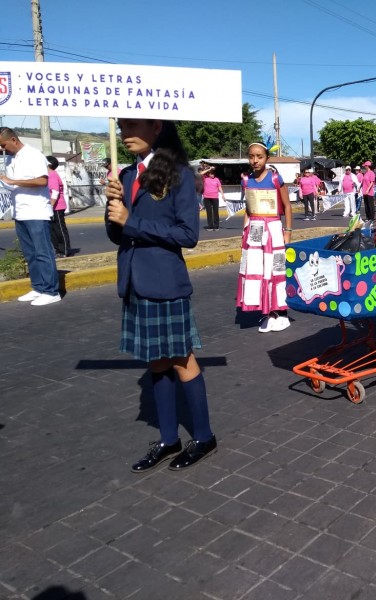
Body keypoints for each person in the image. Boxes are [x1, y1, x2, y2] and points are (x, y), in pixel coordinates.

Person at [104, 118, 216, 471]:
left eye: (131, 126)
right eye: (121, 127)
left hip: (165, 283)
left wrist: (130, 220)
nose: (125, 134)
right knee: (156, 360)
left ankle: (204, 436)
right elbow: (117, 234)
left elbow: (187, 234)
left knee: (181, 358)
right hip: (135, 282)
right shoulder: (125, 176)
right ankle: (169, 439)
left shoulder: (179, 174)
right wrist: (112, 210)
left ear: (156, 126)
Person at [0, 127, 61, 306]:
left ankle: (51, 291)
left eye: (3, 145)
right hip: (21, 212)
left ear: (13, 139)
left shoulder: (33, 155)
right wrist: (6, 183)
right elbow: (14, 185)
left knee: (43, 252)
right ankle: (38, 287)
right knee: (30, 253)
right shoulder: (11, 159)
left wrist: (12, 181)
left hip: (36, 211)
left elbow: (42, 181)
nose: (2, 149)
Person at [237, 142, 293, 333]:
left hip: (273, 229)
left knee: (275, 269)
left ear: (267, 158)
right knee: (258, 271)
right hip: (254, 231)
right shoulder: (246, 181)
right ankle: (267, 312)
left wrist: (288, 232)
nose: (255, 160)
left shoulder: (276, 178)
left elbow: (287, 206)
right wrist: (244, 231)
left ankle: (280, 312)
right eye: (251, 156)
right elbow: (248, 210)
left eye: (259, 156)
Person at [46, 156, 71, 258]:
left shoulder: (52, 175)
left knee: (59, 229)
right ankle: (57, 250)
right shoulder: (48, 175)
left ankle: (64, 250)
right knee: (52, 231)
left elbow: (55, 192)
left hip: (57, 207)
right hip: (50, 207)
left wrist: (51, 205)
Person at [201, 166, 223, 231]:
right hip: (206, 197)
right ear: (208, 174)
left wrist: (223, 195)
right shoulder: (205, 179)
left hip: (215, 197)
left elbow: (220, 187)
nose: (212, 175)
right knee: (209, 212)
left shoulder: (217, 179)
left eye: (213, 173)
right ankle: (210, 226)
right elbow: (200, 174)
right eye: (211, 173)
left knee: (216, 211)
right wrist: (209, 169)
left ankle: (216, 226)